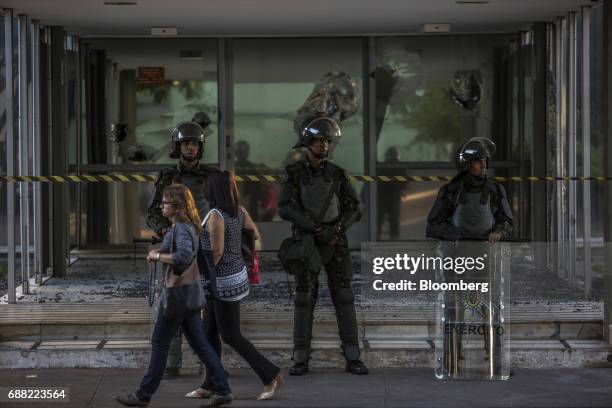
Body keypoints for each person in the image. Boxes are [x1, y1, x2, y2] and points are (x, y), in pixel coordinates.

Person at [116, 184, 232, 407]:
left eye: (165, 203)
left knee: (159, 343)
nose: (161, 206)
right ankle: (223, 389)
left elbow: (183, 257)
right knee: (201, 346)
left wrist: (157, 255)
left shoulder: (181, 229)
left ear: (177, 207)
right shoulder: (184, 227)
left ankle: (143, 395)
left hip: (177, 297)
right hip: (188, 295)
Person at [278, 116, 368, 376]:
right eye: (320, 140)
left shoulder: (337, 173)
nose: (325, 145)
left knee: (344, 296)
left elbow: (354, 209)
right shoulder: (294, 173)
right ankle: (301, 357)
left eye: (328, 141)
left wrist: (336, 228)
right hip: (307, 242)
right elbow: (285, 208)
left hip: (336, 242)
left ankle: (353, 356)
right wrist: (316, 228)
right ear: (308, 143)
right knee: (305, 298)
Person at [186, 171, 283, 401]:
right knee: (209, 332)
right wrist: (235, 249)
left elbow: (216, 254)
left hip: (221, 283)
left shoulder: (216, 215)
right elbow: (255, 233)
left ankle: (270, 374)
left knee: (230, 335)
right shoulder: (239, 211)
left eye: (206, 186)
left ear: (212, 190)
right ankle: (210, 384)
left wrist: (194, 275)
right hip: (234, 277)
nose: (203, 189)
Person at [426, 137, 513, 378]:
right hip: (456, 259)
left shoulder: (495, 189)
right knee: (453, 311)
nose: (483, 164)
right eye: (477, 160)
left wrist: (499, 231)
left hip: (486, 258)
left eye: (485, 159)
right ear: (466, 164)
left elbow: (508, 221)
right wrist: (449, 232)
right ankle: (450, 361)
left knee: (491, 311)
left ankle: (497, 361)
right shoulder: (451, 190)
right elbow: (432, 226)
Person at [145, 115, 218, 377]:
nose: (190, 148)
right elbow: (153, 212)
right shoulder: (168, 176)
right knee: (172, 303)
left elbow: (219, 211)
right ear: (178, 147)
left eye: (194, 144)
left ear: (200, 148)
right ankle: (171, 363)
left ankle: (210, 366)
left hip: (205, 247)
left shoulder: (211, 176)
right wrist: (166, 231)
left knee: (205, 305)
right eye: (185, 144)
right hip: (177, 249)